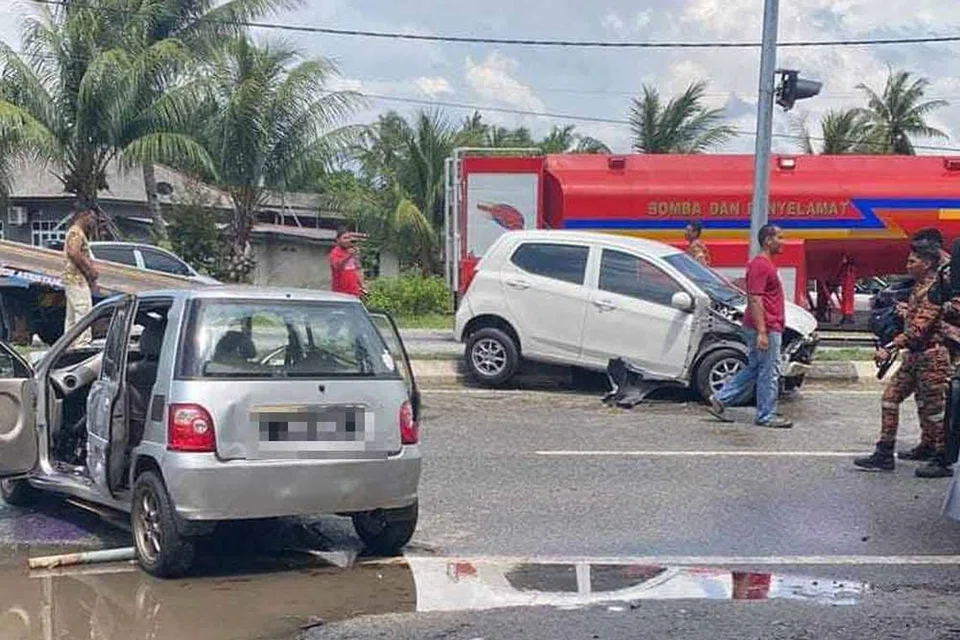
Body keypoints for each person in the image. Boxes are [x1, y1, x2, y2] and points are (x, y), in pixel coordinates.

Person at [854, 239, 954, 478]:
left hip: (932, 358)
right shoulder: (919, 287)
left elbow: (920, 329)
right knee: (891, 398)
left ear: (928, 263)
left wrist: (890, 346)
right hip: (915, 356)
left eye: (913, 261)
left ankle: (941, 459)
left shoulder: (933, 290)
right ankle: (886, 452)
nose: (908, 265)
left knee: (933, 410)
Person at [707, 224, 793, 429]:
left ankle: (721, 398)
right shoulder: (761, 266)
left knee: (756, 368)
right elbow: (755, 299)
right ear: (768, 240)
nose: (783, 242)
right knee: (769, 371)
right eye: (780, 237)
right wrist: (763, 331)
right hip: (765, 327)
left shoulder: (765, 265)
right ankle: (766, 414)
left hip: (768, 325)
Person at [62, 205, 99, 345]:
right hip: (76, 278)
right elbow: (74, 252)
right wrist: (89, 270)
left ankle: (68, 345)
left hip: (72, 278)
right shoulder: (76, 233)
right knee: (84, 311)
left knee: (72, 317)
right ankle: (82, 344)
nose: (93, 221)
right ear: (83, 215)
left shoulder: (76, 232)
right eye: (92, 218)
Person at [329, 225, 367, 298]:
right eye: (345, 238)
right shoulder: (335, 253)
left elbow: (358, 269)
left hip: (355, 292)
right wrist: (348, 255)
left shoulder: (352, 251)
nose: (348, 240)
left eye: (349, 238)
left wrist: (362, 285)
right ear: (338, 240)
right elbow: (337, 267)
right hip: (340, 293)